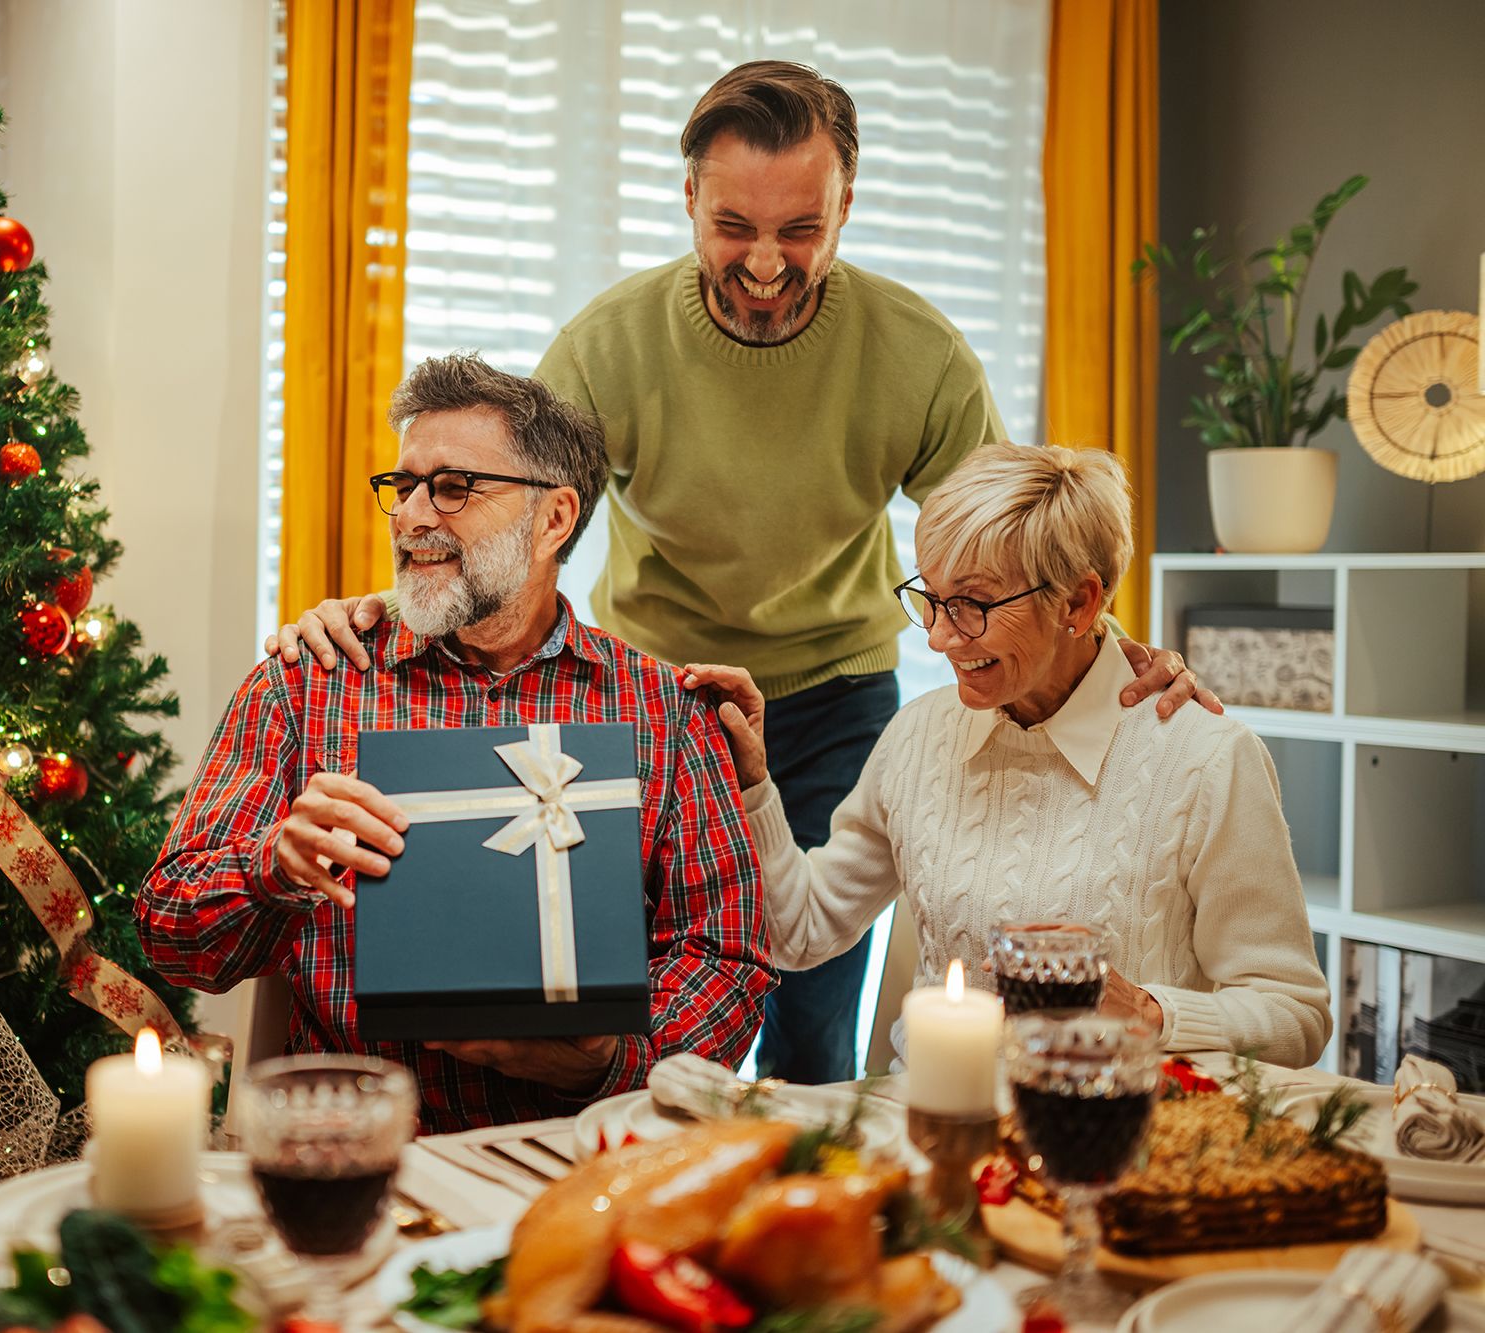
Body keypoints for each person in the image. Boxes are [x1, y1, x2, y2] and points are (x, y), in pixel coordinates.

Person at [265, 60, 1217, 1084]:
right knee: (628, 998)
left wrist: (1107, 651)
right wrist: (407, 597)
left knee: (810, 1018)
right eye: (733, 226)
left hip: (835, 696)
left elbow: (1018, 545)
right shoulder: (608, 347)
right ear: (688, 199)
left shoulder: (920, 356)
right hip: (661, 698)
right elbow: (511, 513)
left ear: (845, 205)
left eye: (799, 229)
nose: (765, 263)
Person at [138, 353, 771, 1133]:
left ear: (554, 518)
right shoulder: (307, 685)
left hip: (583, 1149)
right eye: (403, 486)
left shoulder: (663, 712)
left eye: (452, 486)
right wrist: (273, 866)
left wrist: (608, 1065)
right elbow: (169, 937)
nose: (411, 517)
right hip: (358, 1152)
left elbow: (728, 961)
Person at [684, 444, 1330, 1068]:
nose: (939, 638)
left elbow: (1295, 1015)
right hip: (930, 1118)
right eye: (933, 599)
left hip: (1115, 1126)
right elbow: (799, 931)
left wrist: (1148, 1012)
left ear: (1078, 602)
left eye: (972, 604)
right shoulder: (917, 736)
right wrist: (753, 783)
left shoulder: (1207, 760)